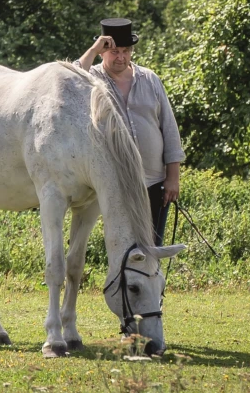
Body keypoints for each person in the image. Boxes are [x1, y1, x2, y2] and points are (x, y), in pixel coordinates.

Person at [75, 18, 185, 245]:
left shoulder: (150, 79)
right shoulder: (93, 80)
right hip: (116, 179)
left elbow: (169, 128)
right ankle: (123, 282)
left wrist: (173, 177)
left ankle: (150, 281)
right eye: (114, 51)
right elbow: (70, 79)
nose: (121, 57)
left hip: (155, 179)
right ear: (104, 52)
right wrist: (93, 50)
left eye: (126, 51)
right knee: (123, 244)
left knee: (153, 244)